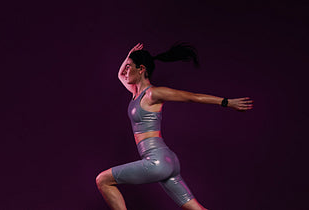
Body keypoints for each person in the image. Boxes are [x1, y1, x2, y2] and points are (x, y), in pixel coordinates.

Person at [96, 43, 253, 210]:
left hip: (157, 161)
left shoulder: (152, 94)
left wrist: (226, 102)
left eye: (129, 67)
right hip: (166, 161)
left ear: (141, 69)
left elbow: (193, 97)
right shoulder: (135, 93)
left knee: (103, 180)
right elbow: (120, 75)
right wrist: (129, 56)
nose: (125, 71)